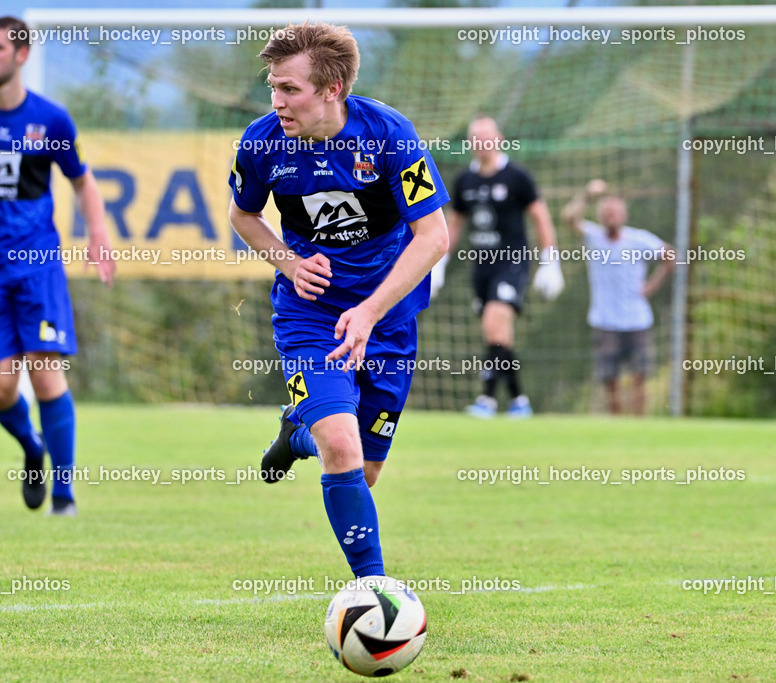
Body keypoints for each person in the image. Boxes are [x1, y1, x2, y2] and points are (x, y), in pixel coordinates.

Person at [228, 22, 450, 579]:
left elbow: (434, 237)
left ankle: (296, 431)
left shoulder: (390, 135)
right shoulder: (261, 143)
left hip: (386, 319)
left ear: (332, 89)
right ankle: (373, 592)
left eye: (290, 90)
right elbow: (243, 216)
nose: (277, 101)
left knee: (367, 469)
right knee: (343, 450)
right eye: (273, 88)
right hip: (311, 316)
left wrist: (371, 311)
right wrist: (289, 262)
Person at [0, 16, 115, 516]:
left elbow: (82, 181)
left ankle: (64, 494)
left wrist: (97, 234)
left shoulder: (52, 121)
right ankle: (33, 450)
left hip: (38, 266)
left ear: (21, 55)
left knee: (45, 374)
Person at [429, 116, 563, 418]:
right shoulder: (465, 180)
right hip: (482, 267)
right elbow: (455, 222)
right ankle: (519, 399)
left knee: (494, 323)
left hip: (512, 263)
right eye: (475, 138)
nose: (481, 143)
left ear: (499, 138)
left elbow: (540, 216)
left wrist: (550, 261)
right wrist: (439, 263)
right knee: (498, 334)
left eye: (486, 137)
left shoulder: (517, 176)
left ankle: (487, 400)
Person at [562, 180, 674, 415]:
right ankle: (616, 424)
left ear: (624, 215)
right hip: (605, 321)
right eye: (606, 213)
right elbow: (569, 218)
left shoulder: (639, 239)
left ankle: (639, 424)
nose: (610, 217)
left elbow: (670, 255)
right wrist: (587, 196)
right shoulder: (593, 237)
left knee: (639, 377)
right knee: (609, 380)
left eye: (614, 212)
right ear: (600, 216)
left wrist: (651, 286)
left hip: (637, 320)